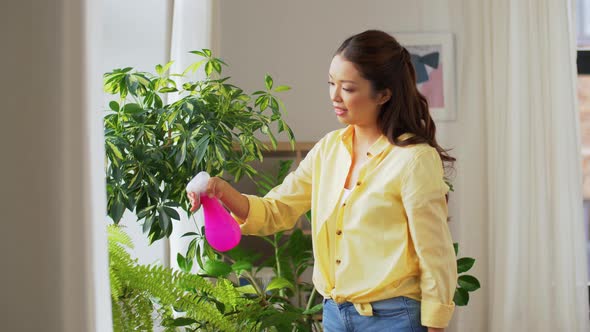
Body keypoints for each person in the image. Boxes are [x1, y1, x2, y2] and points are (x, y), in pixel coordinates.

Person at [188, 30, 457, 332]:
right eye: (331, 83)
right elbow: (276, 209)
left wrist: (435, 327)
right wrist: (221, 190)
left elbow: (436, 256)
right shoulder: (329, 149)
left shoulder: (413, 160)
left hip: (394, 318)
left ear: (383, 94)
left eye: (348, 88)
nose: (334, 96)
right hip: (334, 316)